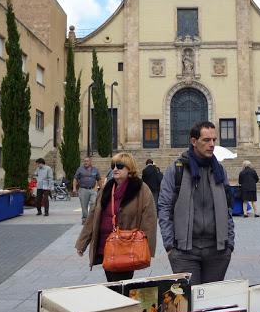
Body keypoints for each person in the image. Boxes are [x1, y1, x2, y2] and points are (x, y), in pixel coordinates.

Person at [157, 120, 234, 285]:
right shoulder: (176, 170)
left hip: (218, 251)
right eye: (206, 140)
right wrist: (170, 246)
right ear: (193, 141)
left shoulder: (220, 171)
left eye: (214, 140)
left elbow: (228, 208)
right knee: (190, 303)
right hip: (184, 252)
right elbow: (164, 207)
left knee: (210, 303)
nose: (212, 144)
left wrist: (229, 244)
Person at [75, 152, 157, 282]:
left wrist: (146, 247)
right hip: (106, 245)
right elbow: (93, 216)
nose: (115, 169)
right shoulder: (107, 188)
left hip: (127, 245)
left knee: (120, 285)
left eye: (119, 166)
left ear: (129, 168)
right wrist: (82, 243)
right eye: (113, 165)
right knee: (113, 283)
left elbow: (149, 219)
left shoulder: (141, 189)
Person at [73, 157, 102, 224]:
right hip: (83, 190)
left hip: (92, 189)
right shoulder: (80, 169)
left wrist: (101, 189)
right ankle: (85, 219)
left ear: (90, 162)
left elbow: (99, 179)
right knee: (84, 205)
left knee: (94, 203)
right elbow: (75, 179)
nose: (85, 162)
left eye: (87, 161)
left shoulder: (95, 170)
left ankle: (91, 218)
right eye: (84, 161)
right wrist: (74, 188)